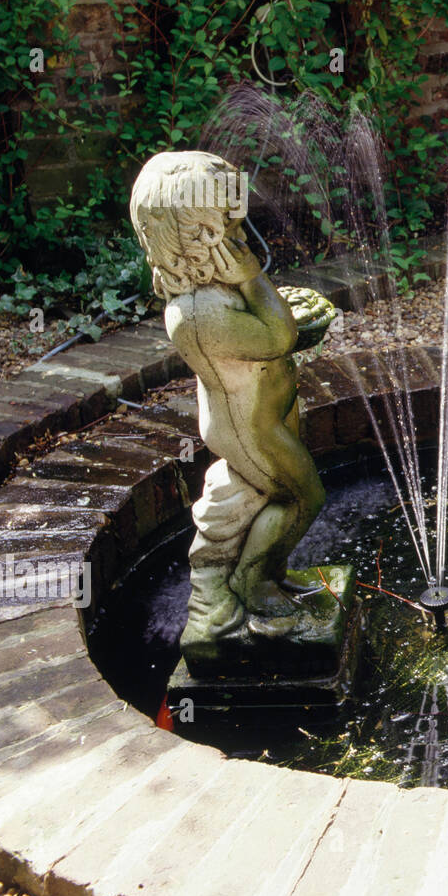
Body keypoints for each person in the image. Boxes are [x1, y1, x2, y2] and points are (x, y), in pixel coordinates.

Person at [129, 151, 325, 649]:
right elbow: (277, 337)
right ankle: (250, 584)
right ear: (193, 235)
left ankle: (270, 570)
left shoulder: (217, 289)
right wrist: (253, 277)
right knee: (303, 496)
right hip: (248, 428)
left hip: (266, 412)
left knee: (273, 498)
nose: (240, 232)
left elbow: (274, 332)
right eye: (227, 223)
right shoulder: (196, 314)